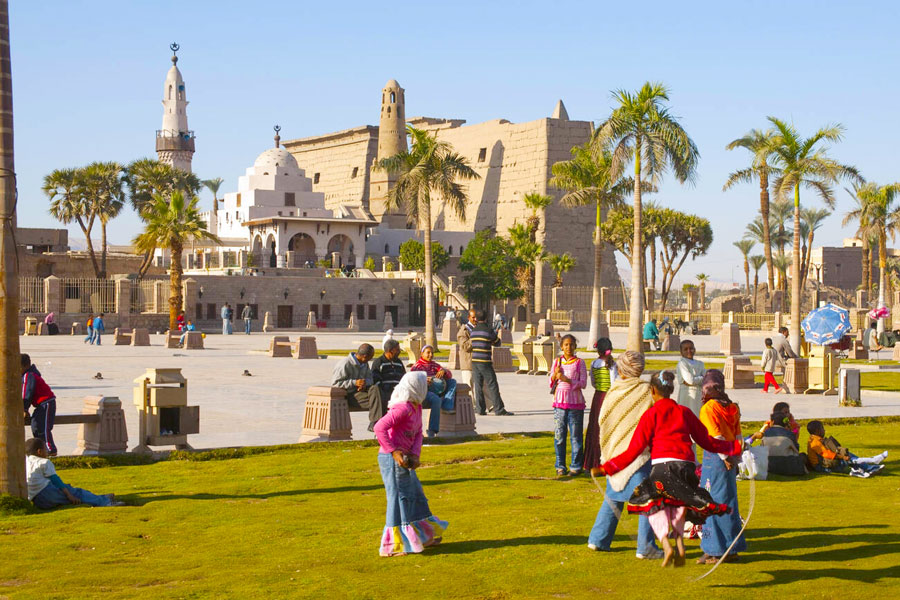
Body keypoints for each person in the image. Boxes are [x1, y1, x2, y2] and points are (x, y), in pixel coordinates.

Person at [597, 372, 745, 568]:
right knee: (693, 506)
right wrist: (733, 449)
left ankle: (666, 547)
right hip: (686, 467)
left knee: (653, 506)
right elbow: (706, 441)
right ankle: (690, 548)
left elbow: (634, 450)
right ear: (672, 390)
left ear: (652, 391)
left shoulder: (651, 414)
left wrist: (608, 468)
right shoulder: (686, 412)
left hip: (662, 468)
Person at [587, 351, 661, 559]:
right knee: (647, 499)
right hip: (637, 455)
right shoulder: (647, 391)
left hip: (615, 454)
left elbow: (604, 420)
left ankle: (598, 539)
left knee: (614, 495)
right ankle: (645, 547)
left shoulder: (614, 390)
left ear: (621, 369)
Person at [374, 372, 448, 557]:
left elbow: (417, 434)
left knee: (416, 495)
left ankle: (424, 536)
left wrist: (415, 455)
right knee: (400, 498)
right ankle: (396, 545)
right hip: (392, 459)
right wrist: (394, 451)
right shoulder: (402, 408)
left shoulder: (416, 407)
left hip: (406, 459)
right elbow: (379, 428)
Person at [697, 369, 746, 564]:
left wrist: (725, 457)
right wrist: (736, 457)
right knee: (728, 502)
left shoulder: (708, 408)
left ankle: (716, 550)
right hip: (730, 455)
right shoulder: (731, 406)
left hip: (716, 458)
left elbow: (715, 436)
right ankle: (726, 548)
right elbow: (739, 435)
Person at [26, 438, 123, 509]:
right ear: (39, 451)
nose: (47, 451)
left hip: (37, 500)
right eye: (45, 449)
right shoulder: (44, 462)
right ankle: (105, 502)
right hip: (47, 495)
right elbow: (56, 481)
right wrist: (70, 495)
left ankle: (100, 497)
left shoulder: (25, 462)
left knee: (71, 489)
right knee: (77, 493)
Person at [550, 334, 587, 476]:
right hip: (559, 404)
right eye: (566, 345)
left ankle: (576, 466)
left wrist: (567, 380)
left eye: (571, 345)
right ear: (561, 346)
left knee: (576, 437)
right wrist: (555, 376)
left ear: (575, 346)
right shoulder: (557, 362)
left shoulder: (579, 363)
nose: (568, 347)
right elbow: (551, 381)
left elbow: (583, 384)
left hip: (575, 404)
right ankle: (560, 466)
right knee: (559, 436)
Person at [469, 309, 512, 416]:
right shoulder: (488, 330)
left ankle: (480, 409)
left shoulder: (473, 331)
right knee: (492, 385)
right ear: (486, 318)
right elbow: (497, 343)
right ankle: (499, 409)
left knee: (478, 386)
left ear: (477, 319)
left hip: (474, 361)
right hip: (485, 361)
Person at [583, 337, 617, 473]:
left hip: (598, 397)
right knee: (608, 428)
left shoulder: (593, 363)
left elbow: (593, 382)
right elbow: (614, 383)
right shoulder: (612, 364)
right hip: (608, 397)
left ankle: (591, 461)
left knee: (595, 428)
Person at [332, 344, 384, 432]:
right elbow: (336, 383)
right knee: (379, 402)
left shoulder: (364, 363)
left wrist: (364, 383)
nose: (371, 359)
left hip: (361, 393)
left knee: (376, 390)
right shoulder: (345, 364)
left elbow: (370, 380)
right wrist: (354, 383)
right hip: (349, 396)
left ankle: (375, 423)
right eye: (370, 357)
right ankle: (376, 423)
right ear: (365, 356)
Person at [806, 420, 886, 477]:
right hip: (821, 467)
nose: (824, 430)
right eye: (822, 428)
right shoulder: (814, 442)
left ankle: (863, 468)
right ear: (817, 431)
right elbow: (827, 454)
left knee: (847, 455)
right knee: (846, 459)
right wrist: (843, 457)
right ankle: (871, 462)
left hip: (823, 463)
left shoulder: (816, 439)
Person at [410, 345, 457, 439]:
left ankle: (447, 405)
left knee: (452, 382)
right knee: (436, 399)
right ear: (422, 353)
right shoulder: (417, 366)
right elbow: (412, 381)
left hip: (437, 390)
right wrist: (424, 379)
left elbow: (449, 375)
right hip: (424, 392)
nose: (430, 355)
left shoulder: (435, 365)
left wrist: (444, 371)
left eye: (432, 353)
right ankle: (432, 430)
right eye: (428, 352)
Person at [22, 354, 57, 456]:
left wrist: (24, 409)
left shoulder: (29, 375)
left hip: (46, 402)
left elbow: (27, 393)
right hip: (41, 404)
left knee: (43, 426)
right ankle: (41, 448)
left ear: (24, 366)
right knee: (36, 424)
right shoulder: (29, 374)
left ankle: (50, 449)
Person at [760, 402, 807, 476]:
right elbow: (796, 449)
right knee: (803, 456)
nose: (787, 414)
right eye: (785, 412)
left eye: (788, 412)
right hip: (786, 465)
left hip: (769, 465)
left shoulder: (767, 432)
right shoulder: (789, 433)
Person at [674, 339, 705, 416]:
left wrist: (696, 380)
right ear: (681, 352)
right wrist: (701, 378)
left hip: (699, 394)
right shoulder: (682, 363)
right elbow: (690, 380)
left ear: (694, 349)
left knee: (698, 417)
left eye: (691, 348)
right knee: (686, 416)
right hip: (687, 395)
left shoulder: (700, 363)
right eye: (685, 349)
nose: (689, 351)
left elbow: (706, 378)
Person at [372, 339, 406, 405]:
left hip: (399, 392)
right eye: (397, 350)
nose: (399, 352)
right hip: (385, 393)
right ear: (390, 351)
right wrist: (387, 390)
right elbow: (376, 381)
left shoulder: (398, 362)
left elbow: (404, 378)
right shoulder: (379, 362)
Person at [456, 311, 474, 388]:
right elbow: (465, 346)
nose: (475, 319)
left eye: (476, 317)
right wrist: (475, 337)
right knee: (470, 389)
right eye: (473, 317)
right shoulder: (463, 331)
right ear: (469, 318)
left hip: (479, 365)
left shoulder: (479, 329)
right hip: (468, 365)